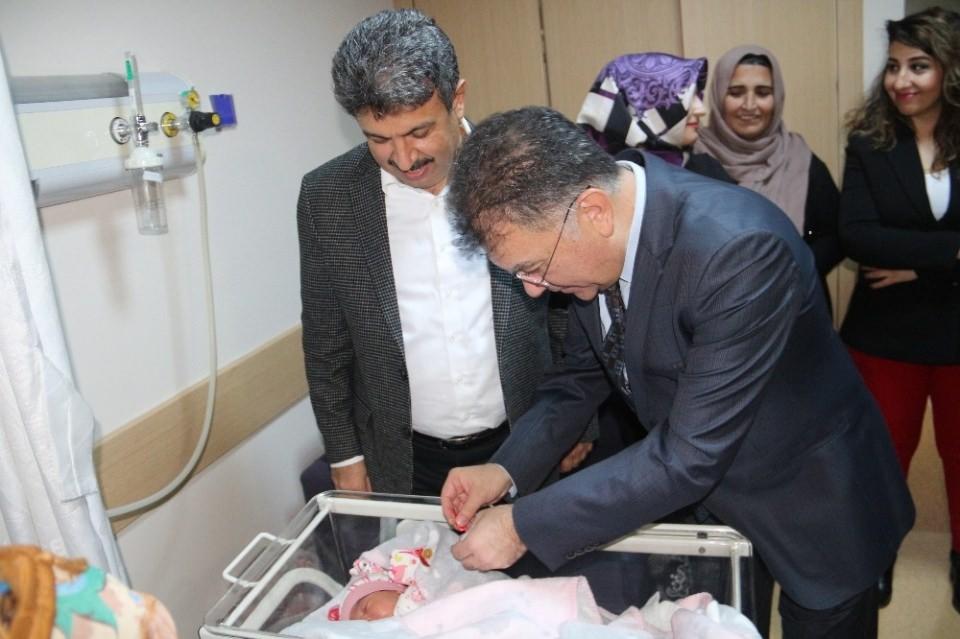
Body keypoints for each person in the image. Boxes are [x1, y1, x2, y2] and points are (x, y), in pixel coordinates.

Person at [439, 106, 915, 638]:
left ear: (594, 212)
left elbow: (687, 456)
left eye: (532, 269)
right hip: (714, 509)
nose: (532, 290)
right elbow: (578, 380)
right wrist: (505, 470)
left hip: (812, 502)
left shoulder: (738, 251)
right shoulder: (583, 246)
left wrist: (522, 526)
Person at [297, 9, 585, 496]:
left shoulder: (524, 169)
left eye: (418, 132)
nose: (404, 159)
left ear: (458, 99)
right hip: (405, 457)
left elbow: (569, 309)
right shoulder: (328, 198)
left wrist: (577, 421)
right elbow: (326, 340)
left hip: (527, 436)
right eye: (379, 139)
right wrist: (344, 454)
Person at [838, 6, 960, 612]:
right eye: (893, 67)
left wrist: (917, 264)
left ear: (950, 70)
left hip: (957, 330)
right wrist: (952, 253)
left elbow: (889, 242)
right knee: (882, 457)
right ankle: (877, 553)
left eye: (918, 66)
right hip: (886, 335)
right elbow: (857, 235)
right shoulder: (868, 143)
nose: (900, 81)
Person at [695, 45, 842, 308]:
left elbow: (834, 235)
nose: (749, 105)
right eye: (736, 92)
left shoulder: (801, 159)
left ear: (778, 97)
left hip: (795, 309)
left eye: (763, 93)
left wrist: (789, 272)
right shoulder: (692, 160)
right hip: (714, 311)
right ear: (718, 95)